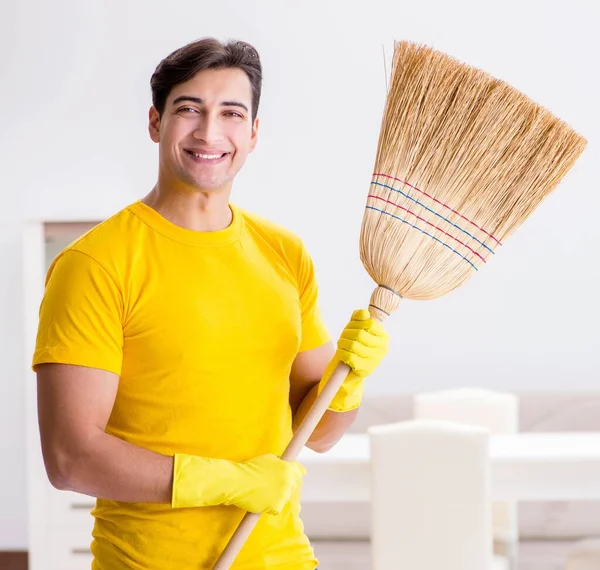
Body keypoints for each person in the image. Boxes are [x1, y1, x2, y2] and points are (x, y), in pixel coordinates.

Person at [32, 37, 389, 570]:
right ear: (155, 123)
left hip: (282, 557)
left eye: (230, 113)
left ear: (253, 134)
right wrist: (221, 482)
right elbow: (69, 458)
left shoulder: (284, 253)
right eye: (188, 110)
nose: (208, 132)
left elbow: (322, 435)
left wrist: (350, 377)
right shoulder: (96, 264)